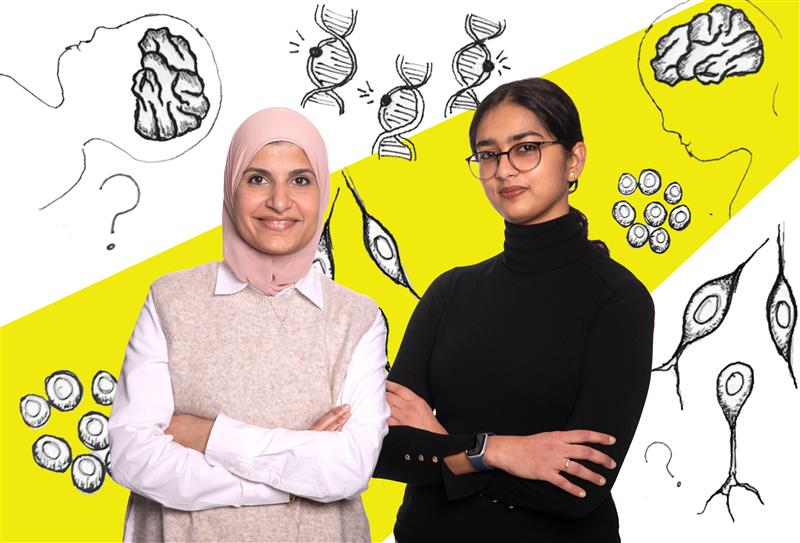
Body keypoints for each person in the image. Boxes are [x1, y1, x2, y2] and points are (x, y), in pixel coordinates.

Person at [373, 77, 655, 542]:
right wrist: (496, 451)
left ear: (574, 160)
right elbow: (382, 449)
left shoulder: (617, 301)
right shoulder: (450, 292)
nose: (504, 170)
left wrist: (441, 444)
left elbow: (576, 490)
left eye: (525, 148)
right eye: (488, 154)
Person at [108, 107, 390, 542]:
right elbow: (134, 456)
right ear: (230, 187)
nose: (279, 201)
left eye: (300, 180)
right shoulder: (171, 300)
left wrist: (209, 436)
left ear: (322, 189)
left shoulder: (357, 318)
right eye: (257, 179)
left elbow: (346, 469)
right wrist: (279, 484)